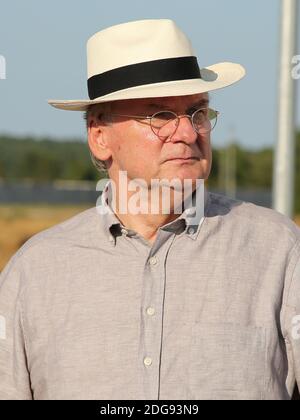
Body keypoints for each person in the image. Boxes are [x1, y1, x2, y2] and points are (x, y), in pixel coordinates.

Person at [0, 18, 299, 401]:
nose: (189, 133)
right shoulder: (34, 273)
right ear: (99, 136)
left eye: (198, 113)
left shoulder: (279, 251)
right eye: (159, 116)